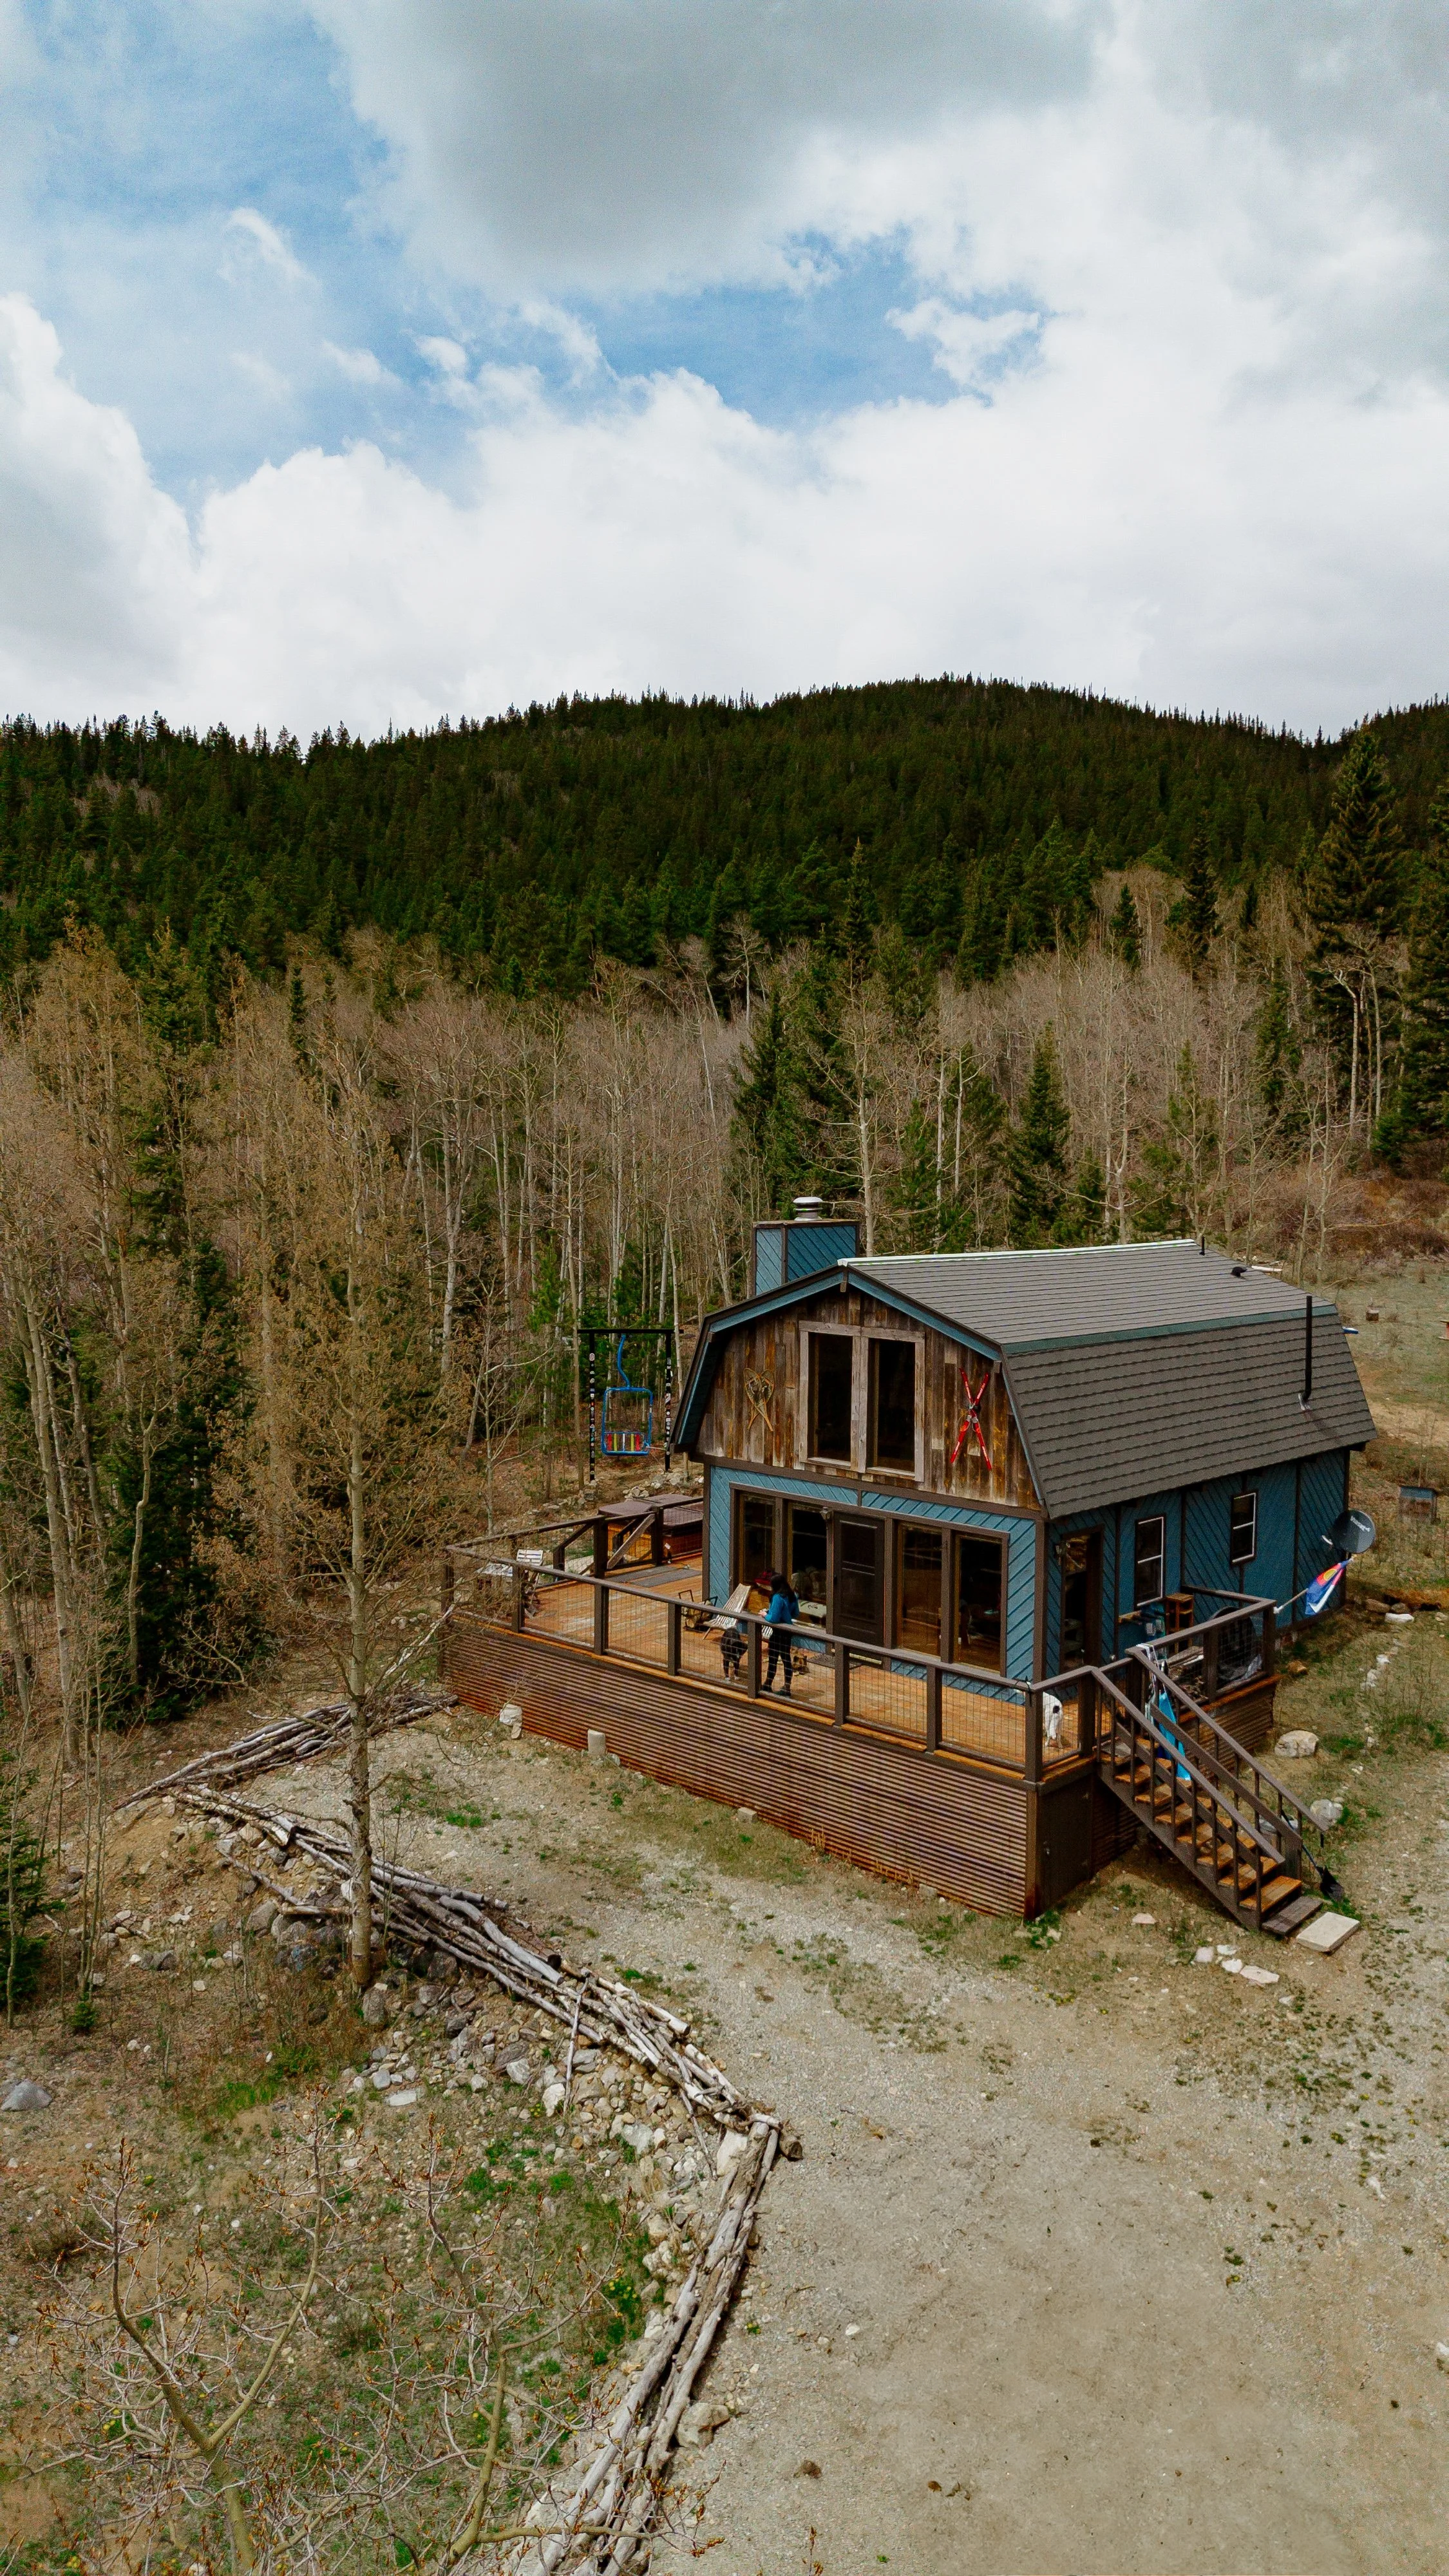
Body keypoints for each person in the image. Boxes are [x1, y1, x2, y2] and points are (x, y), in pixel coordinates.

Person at [762, 1568, 799, 1696]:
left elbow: (773, 1618)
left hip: (778, 1632)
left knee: (773, 1659)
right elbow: (796, 1613)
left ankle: (768, 1684)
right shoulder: (792, 1595)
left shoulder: (778, 1597)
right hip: (788, 1632)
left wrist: (764, 1615)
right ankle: (787, 1687)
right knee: (786, 1659)